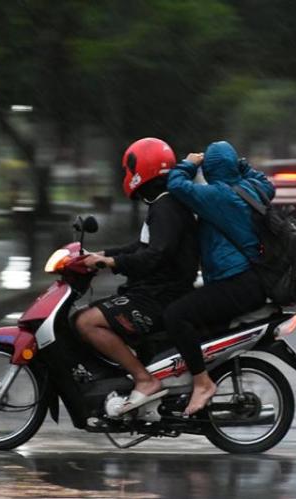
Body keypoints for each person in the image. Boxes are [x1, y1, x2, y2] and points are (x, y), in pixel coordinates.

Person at [77, 137, 199, 413]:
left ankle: (145, 379)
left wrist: (112, 262)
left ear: (141, 169)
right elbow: (142, 246)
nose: (127, 175)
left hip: (160, 296)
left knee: (86, 322)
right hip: (155, 291)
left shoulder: (166, 207)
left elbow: (155, 255)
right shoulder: (164, 203)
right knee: (88, 314)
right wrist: (101, 254)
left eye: (129, 169)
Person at [164, 140, 275, 416]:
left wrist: (189, 164)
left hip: (235, 282)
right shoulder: (253, 188)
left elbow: (176, 185)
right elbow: (265, 180)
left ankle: (202, 383)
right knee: (204, 331)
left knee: (176, 316)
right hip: (252, 281)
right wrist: (240, 165)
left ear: (210, 170)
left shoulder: (217, 196)